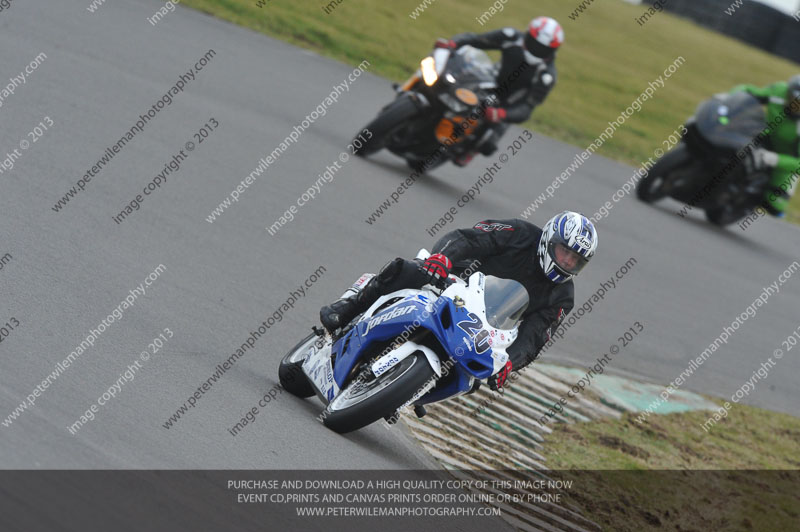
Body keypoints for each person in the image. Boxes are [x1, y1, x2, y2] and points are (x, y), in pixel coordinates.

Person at [320, 211, 597, 389]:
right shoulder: (519, 233)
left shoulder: (562, 297)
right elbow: (470, 238)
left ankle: (410, 390)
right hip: (453, 281)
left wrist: (511, 363)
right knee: (406, 270)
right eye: (565, 252)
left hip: (485, 327)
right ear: (551, 240)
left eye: (576, 260)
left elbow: (535, 335)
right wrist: (443, 257)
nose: (567, 262)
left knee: (475, 378)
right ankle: (348, 307)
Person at [434, 16, 564, 166]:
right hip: (488, 80)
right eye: (535, 44)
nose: (536, 49)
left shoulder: (546, 75)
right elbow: (476, 40)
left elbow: (527, 107)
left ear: (552, 50)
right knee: (451, 79)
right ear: (528, 35)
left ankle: (470, 149)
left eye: (543, 48)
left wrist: (502, 113)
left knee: (488, 145)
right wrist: (452, 43)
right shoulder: (511, 37)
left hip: (505, 104)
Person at [732, 75, 800, 217]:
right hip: (762, 135)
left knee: (775, 205)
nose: (794, 105)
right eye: (792, 98)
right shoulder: (779, 90)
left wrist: (773, 159)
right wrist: (732, 97)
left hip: (784, 159)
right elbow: (749, 91)